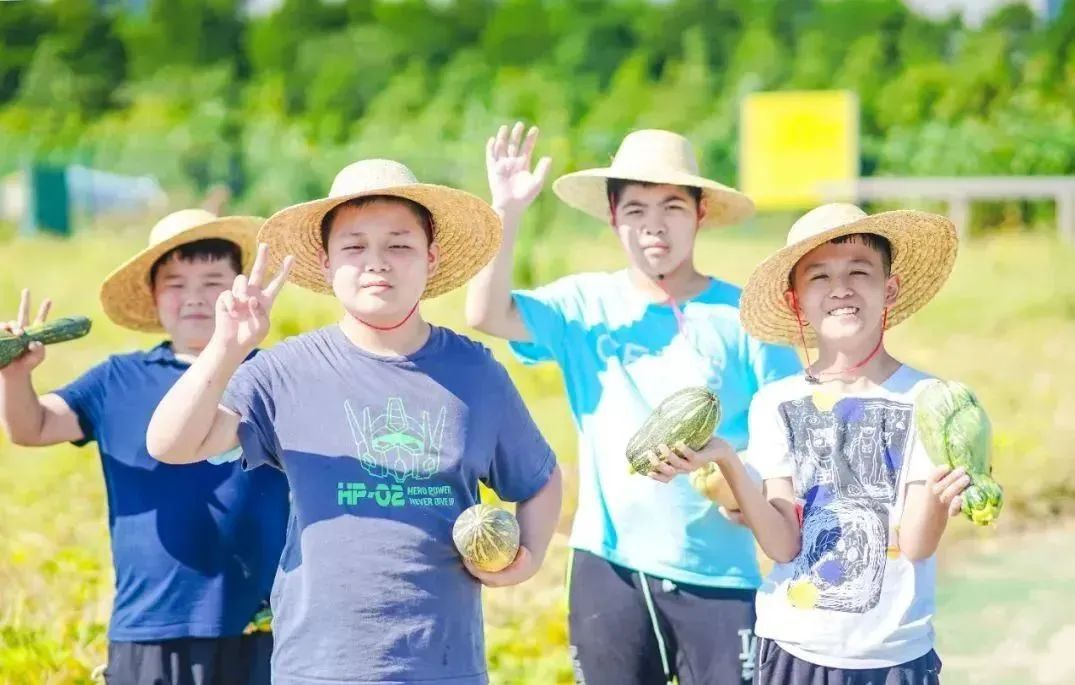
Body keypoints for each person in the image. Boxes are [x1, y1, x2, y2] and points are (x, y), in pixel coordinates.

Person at [144, 159, 563, 685]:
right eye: (354, 246)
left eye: (399, 245)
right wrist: (228, 347)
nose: (376, 263)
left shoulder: (474, 372)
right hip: (319, 667)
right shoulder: (285, 371)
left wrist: (528, 555)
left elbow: (541, 479)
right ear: (325, 263)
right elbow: (170, 444)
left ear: (431, 259)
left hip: (443, 666)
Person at [465, 123, 802, 685]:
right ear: (614, 217)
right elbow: (486, 314)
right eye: (636, 208)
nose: (654, 226)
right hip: (610, 567)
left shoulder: (747, 318)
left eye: (672, 206)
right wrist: (507, 211)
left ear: (700, 213)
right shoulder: (584, 304)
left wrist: (735, 483)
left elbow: (788, 438)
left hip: (720, 572)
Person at [659, 203, 964, 683]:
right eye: (819, 276)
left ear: (890, 288)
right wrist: (728, 463)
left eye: (859, 271)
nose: (841, 287)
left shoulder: (928, 399)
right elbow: (783, 544)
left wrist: (943, 497)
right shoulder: (774, 402)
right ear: (796, 301)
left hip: (894, 653)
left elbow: (916, 544)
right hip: (795, 648)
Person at [0, 208, 289, 685]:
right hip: (151, 623)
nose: (194, 297)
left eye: (213, 281)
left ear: (240, 289)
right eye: (175, 283)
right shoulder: (117, 379)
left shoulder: (273, 376)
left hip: (263, 622)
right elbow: (32, 428)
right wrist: (15, 379)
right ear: (154, 297)